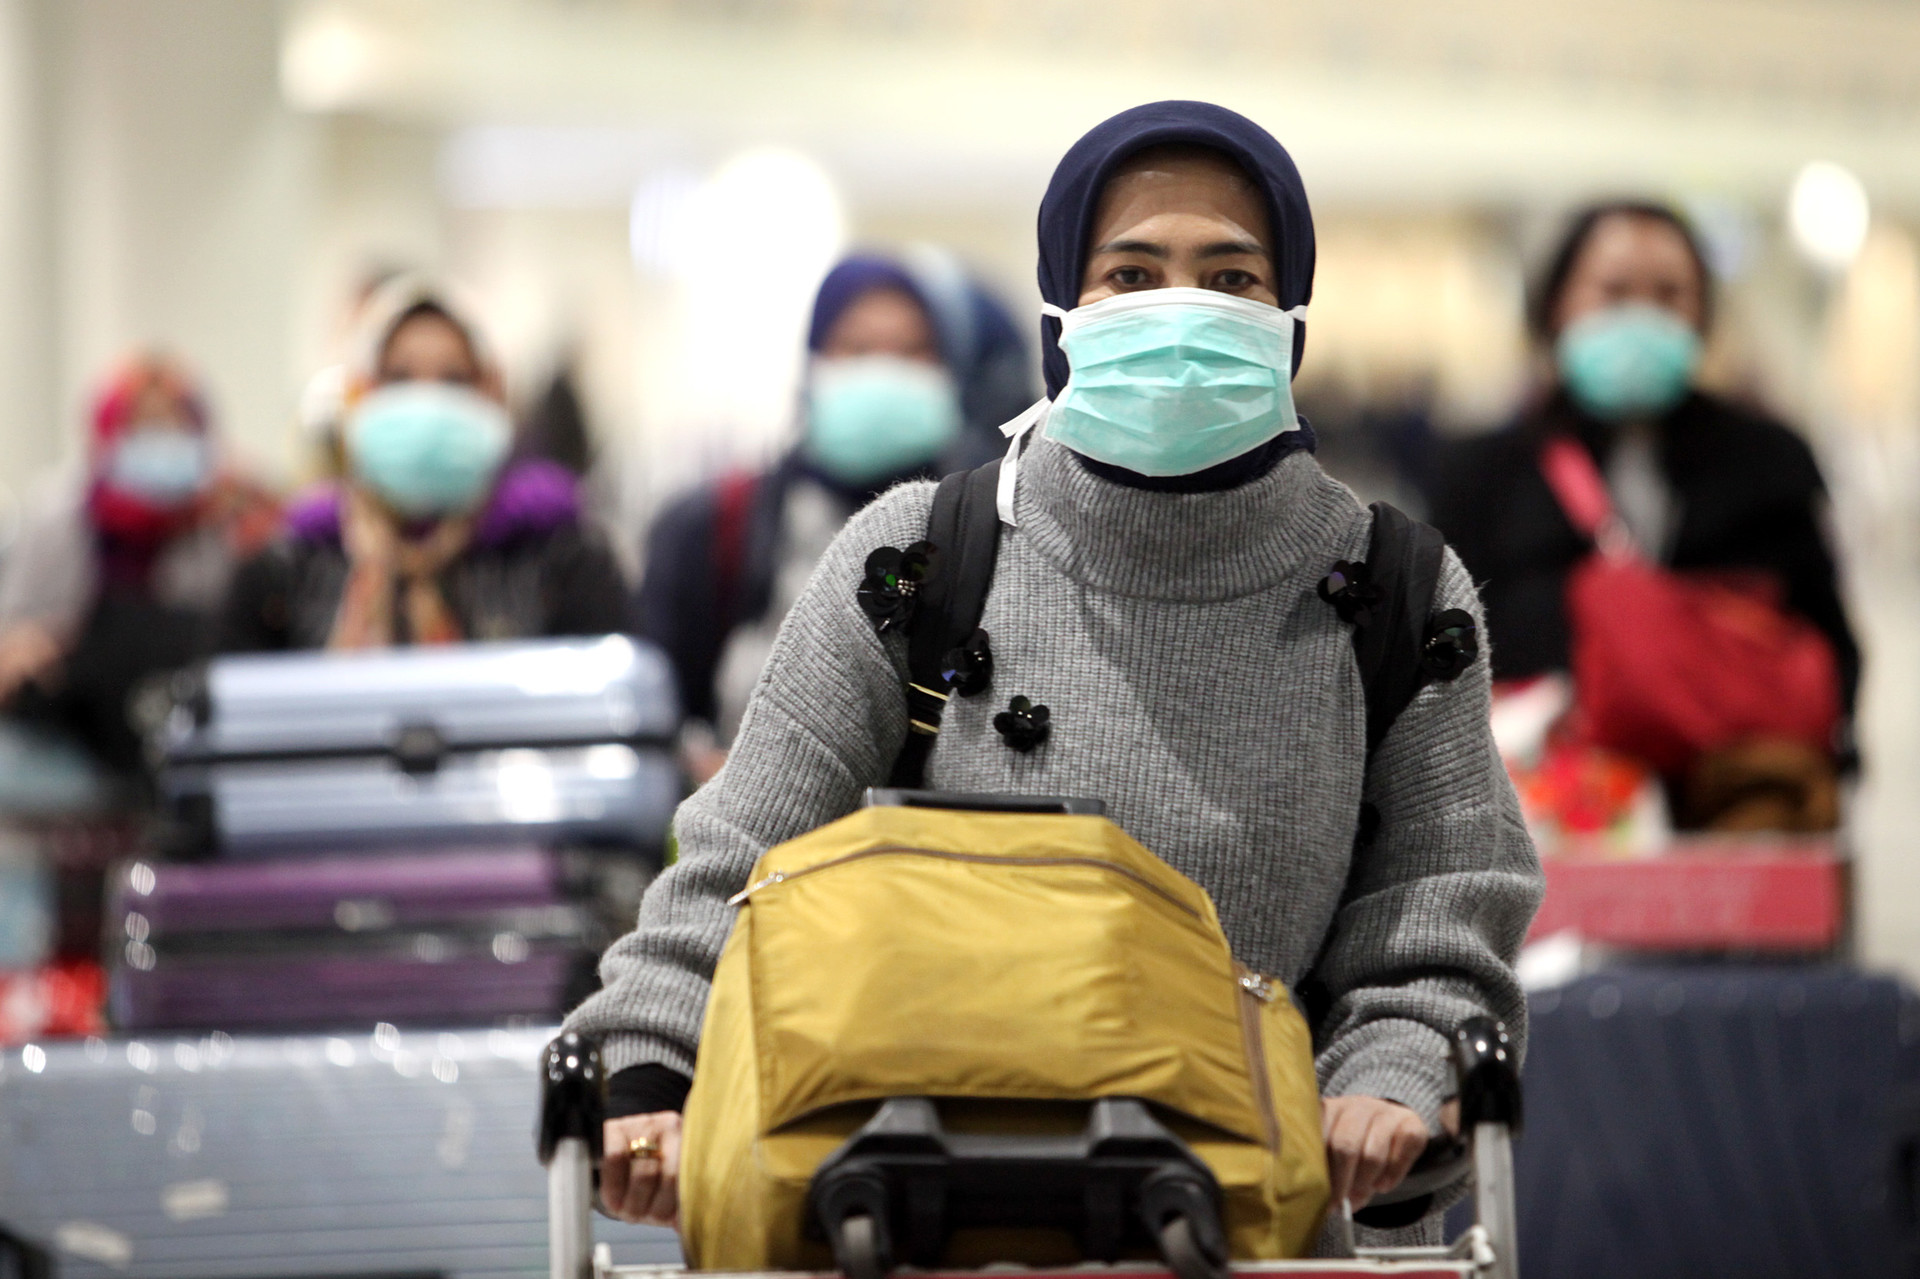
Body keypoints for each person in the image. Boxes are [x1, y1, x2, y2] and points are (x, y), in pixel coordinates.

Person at [566, 101, 1542, 1246]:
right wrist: (645, 1057)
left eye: (1230, 278)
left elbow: (1440, 904)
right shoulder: (918, 559)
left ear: (1291, 318)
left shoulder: (1400, 593)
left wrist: (1391, 1067)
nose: (1179, 309)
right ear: (1058, 313)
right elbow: (741, 855)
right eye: (1129, 274)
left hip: (1251, 1224)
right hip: (912, 1202)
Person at [1430, 201, 1859, 827]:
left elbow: (1827, 637)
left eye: (1669, 294)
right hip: (1548, 809)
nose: (1641, 315)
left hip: (1733, 807)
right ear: (1557, 306)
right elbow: (1441, 643)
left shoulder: (1771, 459)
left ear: (1702, 314)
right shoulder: (1483, 470)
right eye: (1614, 291)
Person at [634, 253, 974, 767]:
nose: (884, 371)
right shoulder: (712, 527)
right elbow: (653, 716)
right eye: (857, 350)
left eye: (912, 352)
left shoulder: (986, 528)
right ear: (814, 363)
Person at [222, 278, 629, 651]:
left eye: (454, 381)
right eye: (399, 379)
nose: (426, 400)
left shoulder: (561, 559)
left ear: (493, 395)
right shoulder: (291, 568)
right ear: (359, 395)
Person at [0, 355, 277, 797]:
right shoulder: (62, 516)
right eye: (144, 426)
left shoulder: (225, 517)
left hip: (190, 727)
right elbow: (14, 646)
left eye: (174, 424)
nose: (161, 440)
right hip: (77, 739)